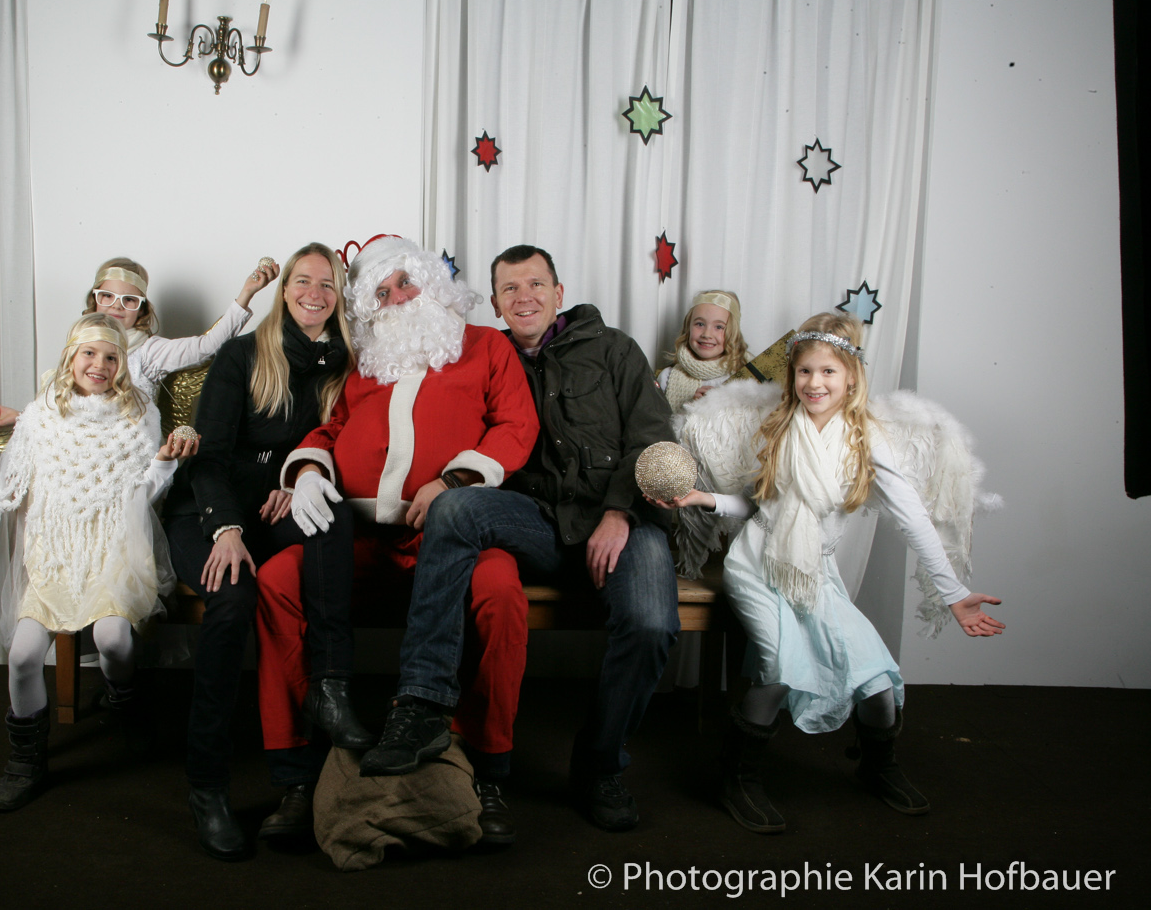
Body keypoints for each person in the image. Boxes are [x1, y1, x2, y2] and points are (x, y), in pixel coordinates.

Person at [359, 244, 681, 834]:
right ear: (496, 303)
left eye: (535, 284)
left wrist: (619, 513)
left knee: (652, 624)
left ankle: (600, 764)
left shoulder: (614, 349)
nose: (524, 297)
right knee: (455, 508)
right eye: (510, 288)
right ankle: (423, 701)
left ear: (559, 293)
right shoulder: (484, 351)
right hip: (538, 520)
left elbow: (654, 439)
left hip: (618, 522)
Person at [660, 312, 1005, 833]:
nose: (814, 383)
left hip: (814, 575)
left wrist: (953, 592)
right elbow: (756, 507)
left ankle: (877, 766)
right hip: (757, 566)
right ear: (792, 375)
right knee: (780, 668)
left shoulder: (867, 441)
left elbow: (914, 519)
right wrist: (702, 499)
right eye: (804, 371)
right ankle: (737, 777)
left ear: (851, 377)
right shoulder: (779, 427)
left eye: (827, 372)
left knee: (877, 683)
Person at [254, 236, 539, 845]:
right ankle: (296, 770)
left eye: (406, 282)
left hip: (451, 540)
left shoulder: (485, 347)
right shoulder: (365, 364)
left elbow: (516, 425)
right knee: (277, 581)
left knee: (499, 592)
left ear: (432, 283)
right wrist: (309, 470)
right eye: (381, 293)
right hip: (361, 541)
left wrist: (456, 480)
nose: (398, 298)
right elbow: (332, 429)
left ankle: (487, 767)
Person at [0, 313, 199, 812]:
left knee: (113, 638)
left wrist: (166, 461)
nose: (99, 364)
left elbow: (146, 491)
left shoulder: (139, 412)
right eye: (89, 353)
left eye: (111, 356)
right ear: (71, 357)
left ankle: (125, 697)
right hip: (56, 550)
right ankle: (26, 760)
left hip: (115, 548)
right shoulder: (41, 414)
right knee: (23, 655)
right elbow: (10, 481)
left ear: (122, 364)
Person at [161, 243, 355, 861]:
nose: (314, 293)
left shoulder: (345, 363)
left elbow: (336, 447)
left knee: (333, 518)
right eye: (303, 281)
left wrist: (297, 481)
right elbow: (209, 457)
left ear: (339, 296)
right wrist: (225, 528)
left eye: (327, 284)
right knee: (233, 598)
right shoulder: (244, 354)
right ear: (285, 288)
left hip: (275, 508)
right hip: (209, 510)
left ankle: (330, 687)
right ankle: (207, 786)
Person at [0, 255, 277, 431]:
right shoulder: (81, 348)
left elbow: (206, 346)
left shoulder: (149, 352)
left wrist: (247, 293)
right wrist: (19, 418)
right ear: (94, 301)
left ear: (142, 308)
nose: (116, 307)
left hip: (128, 461)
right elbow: (62, 414)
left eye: (129, 300)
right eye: (107, 296)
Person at [656, 289, 749, 411]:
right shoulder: (667, 377)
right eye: (700, 324)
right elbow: (656, 420)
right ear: (688, 328)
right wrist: (692, 407)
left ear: (733, 333)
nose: (707, 334)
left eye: (719, 327)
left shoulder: (744, 379)